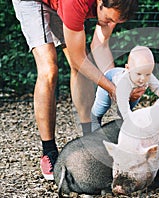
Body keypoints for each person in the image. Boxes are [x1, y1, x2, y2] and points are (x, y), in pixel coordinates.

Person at [12, 0, 142, 181]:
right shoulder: (76, 2)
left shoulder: (115, 6)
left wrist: (118, 83)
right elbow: (78, 58)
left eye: (115, 21)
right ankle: (48, 151)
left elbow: (100, 46)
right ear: (100, 2)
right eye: (108, 18)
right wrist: (113, 89)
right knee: (49, 69)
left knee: (80, 68)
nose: (109, 23)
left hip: (60, 4)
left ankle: (88, 137)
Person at [91, 46, 159, 130]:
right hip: (111, 81)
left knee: (132, 104)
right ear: (128, 69)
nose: (143, 79)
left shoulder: (146, 75)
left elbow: (158, 87)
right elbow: (122, 102)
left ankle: (122, 120)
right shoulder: (124, 82)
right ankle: (95, 118)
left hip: (133, 91)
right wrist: (129, 120)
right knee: (102, 106)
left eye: (147, 74)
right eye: (138, 74)